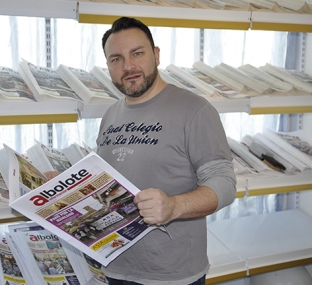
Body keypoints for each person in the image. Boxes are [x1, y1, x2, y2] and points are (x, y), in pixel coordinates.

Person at [95, 17, 237, 285]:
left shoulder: (194, 110)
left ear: (156, 55)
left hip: (172, 274)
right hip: (115, 266)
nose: (128, 67)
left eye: (137, 53)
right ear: (108, 67)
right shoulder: (110, 115)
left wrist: (174, 206)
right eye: (116, 59)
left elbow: (225, 183)